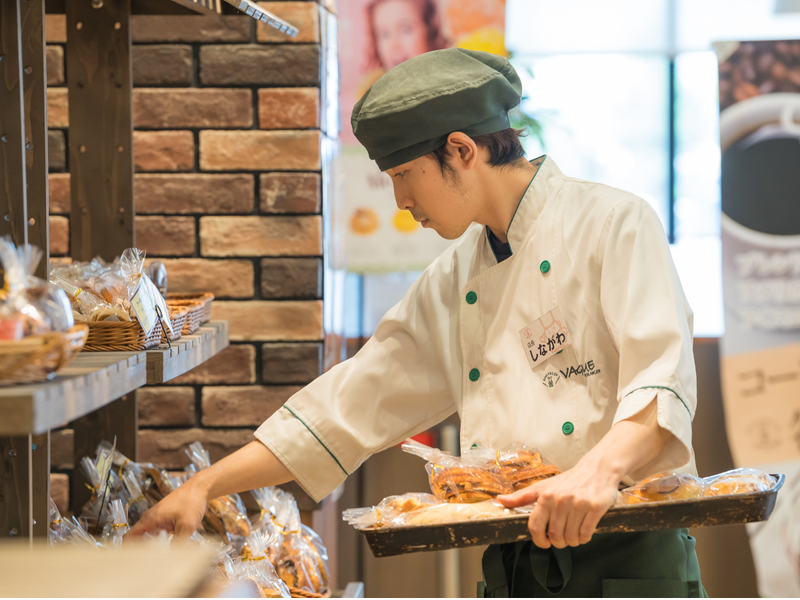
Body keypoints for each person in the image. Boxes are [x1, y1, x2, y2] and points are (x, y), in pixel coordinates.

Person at [132, 48, 706, 597]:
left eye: (404, 173)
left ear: (461, 150)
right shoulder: (458, 274)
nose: (400, 201)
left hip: (629, 558)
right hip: (513, 563)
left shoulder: (613, 223)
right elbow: (351, 401)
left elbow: (662, 383)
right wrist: (203, 486)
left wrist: (596, 472)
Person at [357, 0, 448, 97]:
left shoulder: (450, 90)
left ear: (430, 32)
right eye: (384, 34)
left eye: (405, 30)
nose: (394, 45)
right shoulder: (373, 95)